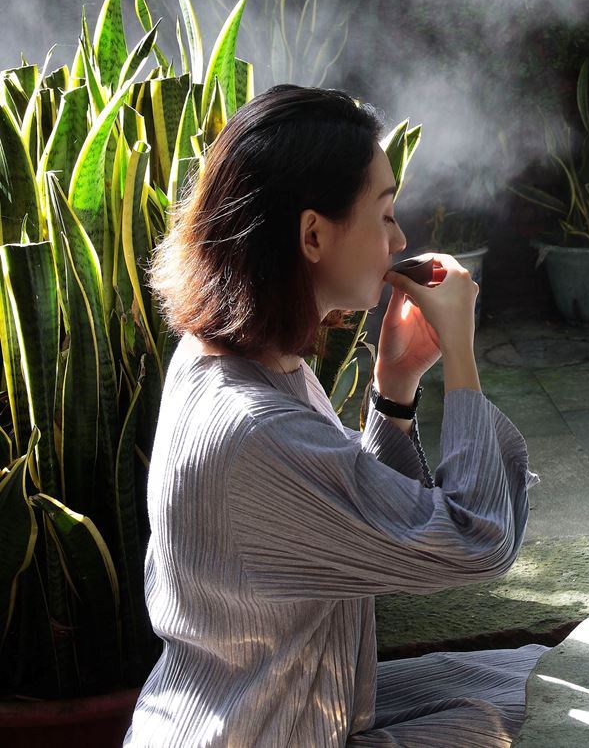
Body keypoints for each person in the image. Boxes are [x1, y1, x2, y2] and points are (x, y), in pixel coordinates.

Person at [125, 85, 543, 746]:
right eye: (385, 214)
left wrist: (395, 387)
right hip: (261, 733)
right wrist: (461, 354)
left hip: (282, 712)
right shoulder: (255, 428)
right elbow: (475, 540)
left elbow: (357, 511)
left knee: (536, 675)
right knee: (533, 713)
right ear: (313, 234)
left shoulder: (234, 360)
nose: (400, 239)